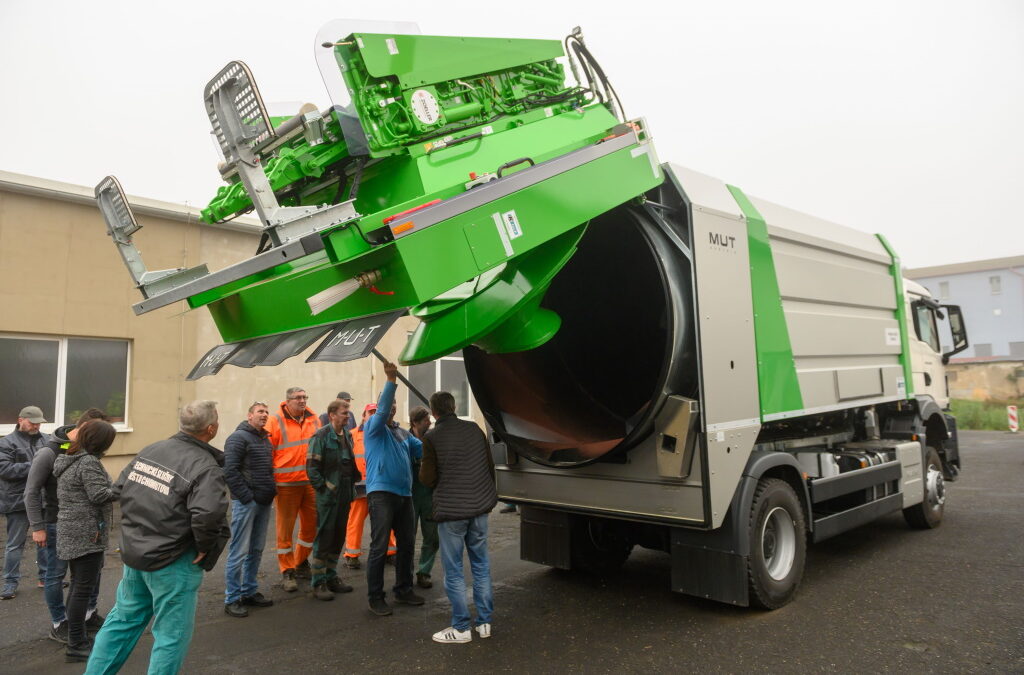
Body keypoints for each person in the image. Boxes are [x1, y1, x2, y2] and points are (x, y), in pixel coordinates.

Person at [84, 400, 230, 675]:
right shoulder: (205, 466)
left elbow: (121, 488)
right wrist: (204, 548)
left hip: (137, 554)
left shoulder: (152, 449)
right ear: (211, 428)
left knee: (121, 622)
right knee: (170, 636)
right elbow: (208, 514)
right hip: (173, 562)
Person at [25, 408, 110, 642]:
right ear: (81, 426)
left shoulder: (85, 450)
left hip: (86, 526)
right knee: (56, 575)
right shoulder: (48, 452)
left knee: (90, 574)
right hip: (54, 523)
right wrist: (37, 526)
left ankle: (88, 615)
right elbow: (31, 492)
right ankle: (59, 622)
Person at [420, 390, 498, 644]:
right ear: (453, 407)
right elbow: (488, 465)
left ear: (433, 412)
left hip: (452, 512)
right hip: (479, 508)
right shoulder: (474, 429)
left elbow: (427, 479)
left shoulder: (431, 437)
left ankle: (462, 628)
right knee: (481, 565)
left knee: (453, 571)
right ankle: (484, 623)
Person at [52, 420, 118, 662]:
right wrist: (125, 487)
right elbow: (99, 495)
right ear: (99, 442)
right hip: (86, 533)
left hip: (71, 530)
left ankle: (76, 637)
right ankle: (77, 644)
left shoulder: (69, 457)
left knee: (78, 587)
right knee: (82, 589)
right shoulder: (88, 461)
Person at [363, 360, 425, 616]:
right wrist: (390, 381)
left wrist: (437, 431)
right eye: (388, 407)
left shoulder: (402, 433)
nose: (392, 410)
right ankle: (375, 596)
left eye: (395, 408)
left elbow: (421, 450)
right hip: (381, 494)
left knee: (408, 543)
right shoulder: (373, 429)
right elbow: (383, 407)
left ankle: (403, 589)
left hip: (405, 494)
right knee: (379, 546)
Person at [223, 401, 277, 618]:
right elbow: (230, 471)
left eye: (266, 412)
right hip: (246, 503)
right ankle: (232, 598)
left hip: (263, 502)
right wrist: (247, 497)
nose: (264, 415)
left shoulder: (264, 439)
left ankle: (249, 591)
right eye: (260, 412)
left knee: (256, 549)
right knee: (239, 551)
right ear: (249, 416)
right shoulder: (238, 438)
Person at [264, 387, 321, 592]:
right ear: (287, 401)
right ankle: (287, 570)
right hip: (286, 484)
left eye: (305, 397)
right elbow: (267, 451)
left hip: (310, 483)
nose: (303, 401)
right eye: (298, 398)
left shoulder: (314, 419)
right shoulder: (275, 421)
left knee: (311, 527)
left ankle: (300, 561)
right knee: (284, 531)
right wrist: (270, 482)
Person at [306, 398, 359, 600]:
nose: (348, 416)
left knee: (338, 536)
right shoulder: (320, 436)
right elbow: (312, 469)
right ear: (332, 415)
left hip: (345, 493)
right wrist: (326, 490)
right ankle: (318, 582)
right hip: (328, 496)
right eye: (344, 413)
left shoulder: (347, 434)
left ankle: (331, 576)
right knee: (324, 538)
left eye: (348, 412)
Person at [0, 405, 49, 600]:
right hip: (17, 500)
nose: (36, 426)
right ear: (21, 420)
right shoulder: (6, 443)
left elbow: (62, 449)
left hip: (42, 499)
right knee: (14, 544)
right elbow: (5, 470)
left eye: (38, 422)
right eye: (32, 422)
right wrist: (37, 466)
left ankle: (45, 577)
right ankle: (10, 583)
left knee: (44, 541)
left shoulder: (47, 439)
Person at [343, 404, 396, 569]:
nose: (373, 416)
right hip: (359, 488)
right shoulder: (350, 435)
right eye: (370, 413)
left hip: (380, 486)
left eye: (376, 413)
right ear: (363, 415)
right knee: (355, 521)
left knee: (385, 520)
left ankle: (390, 552)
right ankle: (352, 555)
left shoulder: (385, 434)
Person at [408, 406, 439, 589]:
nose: (429, 422)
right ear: (415, 423)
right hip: (409, 496)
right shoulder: (404, 440)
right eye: (426, 420)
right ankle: (407, 572)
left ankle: (424, 572)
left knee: (432, 537)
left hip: (429, 496)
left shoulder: (432, 440)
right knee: (408, 537)